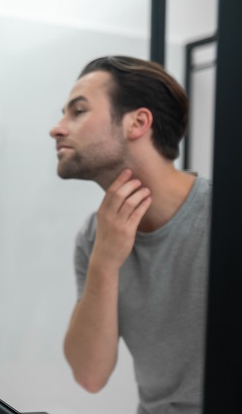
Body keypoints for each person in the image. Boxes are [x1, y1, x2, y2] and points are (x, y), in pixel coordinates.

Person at [51, 56, 210, 414]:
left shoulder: (225, 216)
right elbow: (89, 376)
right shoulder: (93, 236)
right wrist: (105, 261)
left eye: (78, 111)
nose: (56, 129)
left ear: (137, 123)